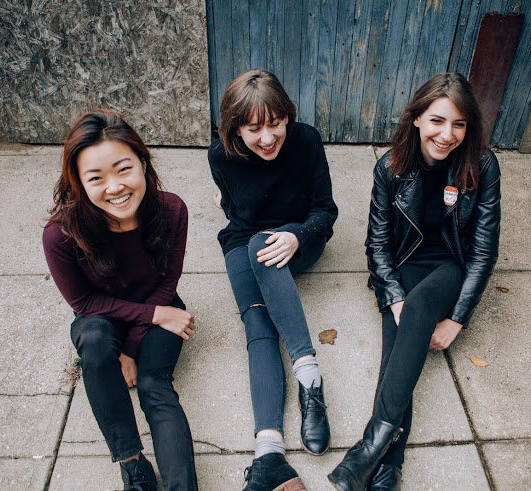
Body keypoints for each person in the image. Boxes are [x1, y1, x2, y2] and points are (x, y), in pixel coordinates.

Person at [328, 72, 501, 491]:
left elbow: (482, 251)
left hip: (451, 265)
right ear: (418, 118)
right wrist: (392, 296)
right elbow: (377, 244)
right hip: (404, 264)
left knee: (419, 308)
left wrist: (457, 319)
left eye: (459, 124)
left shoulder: (482, 165)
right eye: (437, 120)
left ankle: (368, 448)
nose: (447, 134)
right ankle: (389, 465)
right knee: (398, 343)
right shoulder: (390, 167)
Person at [42, 110, 198, 490]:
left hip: (160, 301)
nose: (114, 187)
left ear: (143, 162)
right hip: (103, 314)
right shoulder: (61, 235)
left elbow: (168, 280)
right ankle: (132, 464)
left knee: (153, 384)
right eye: (96, 178)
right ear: (79, 182)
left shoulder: (172, 210)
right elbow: (84, 303)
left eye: (123, 169)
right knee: (94, 343)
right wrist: (152, 319)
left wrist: (131, 348)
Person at [208, 70, 338, 491]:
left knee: (260, 246)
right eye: (253, 129)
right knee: (256, 321)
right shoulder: (220, 156)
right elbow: (238, 211)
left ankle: (309, 376)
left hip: (299, 238)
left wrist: (297, 236)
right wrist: (226, 202)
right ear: (234, 129)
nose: (267, 138)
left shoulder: (307, 141)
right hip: (245, 240)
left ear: (288, 117)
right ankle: (268, 450)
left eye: (275, 123)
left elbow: (326, 212)